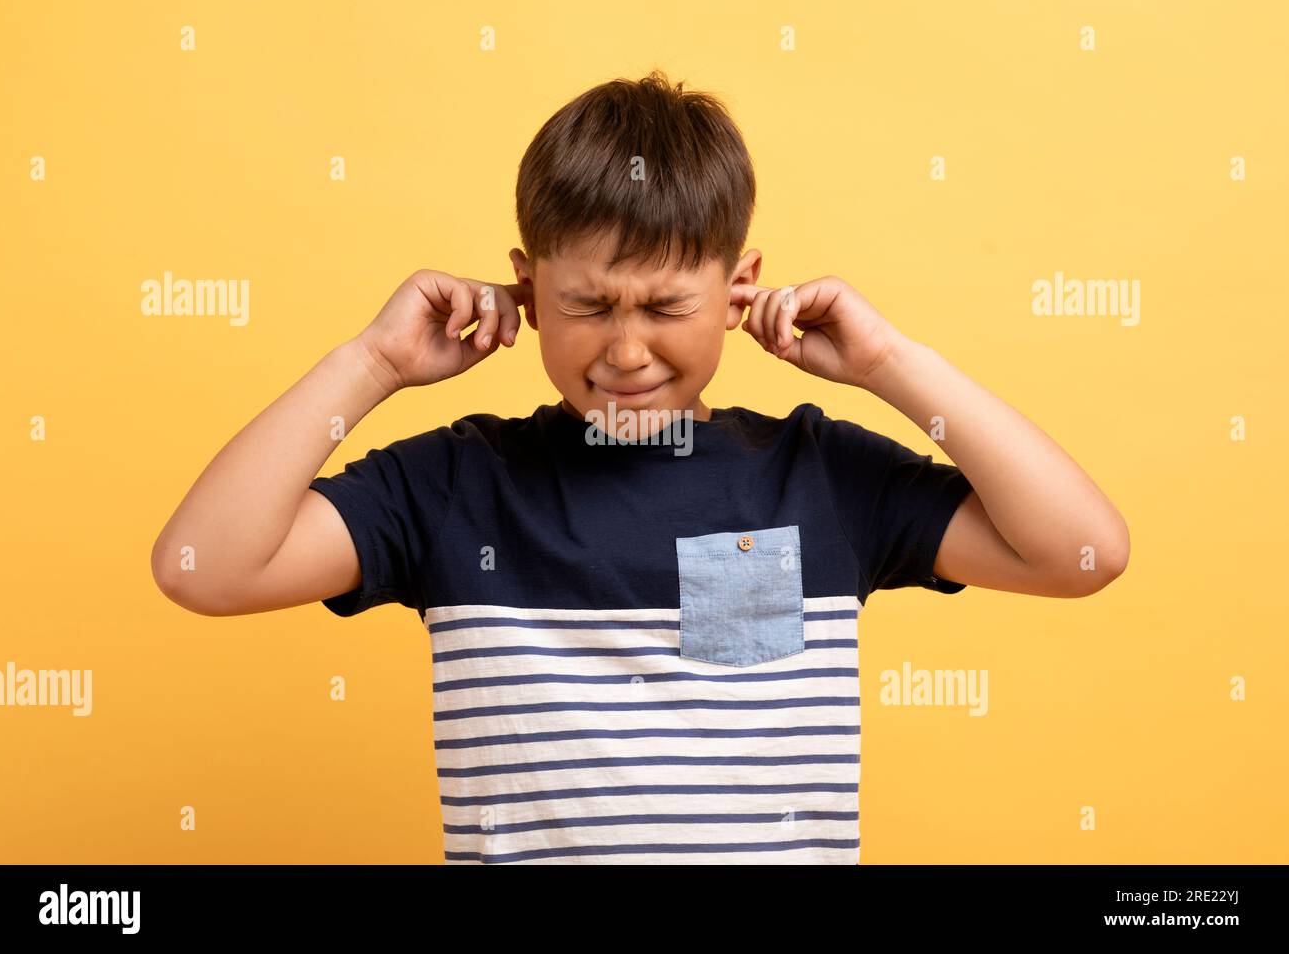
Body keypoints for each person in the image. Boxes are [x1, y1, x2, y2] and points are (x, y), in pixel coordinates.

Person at [151, 70, 1129, 864]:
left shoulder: (819, 475)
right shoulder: (452, 485)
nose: (625, 350)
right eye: (588, 305)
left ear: (739, 289)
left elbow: (1081, 550)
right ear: (526, 287)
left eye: (663, 308)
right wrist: (371, 362)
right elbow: (203, 566)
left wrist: (887, 362)